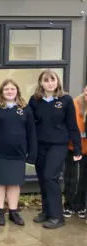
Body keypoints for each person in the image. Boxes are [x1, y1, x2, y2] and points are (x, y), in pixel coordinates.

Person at [28, 69, 81, 229]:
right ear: (41, 83)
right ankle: (46, 212)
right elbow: (29, 124)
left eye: (53, 80)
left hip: (58, 145)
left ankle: (57, 216)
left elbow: (72, 125)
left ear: (57, 82)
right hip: (40, 145)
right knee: (43, 179)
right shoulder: (35, 100)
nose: (50, 83)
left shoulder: (65, 100)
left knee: (50, 177)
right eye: (46, 80)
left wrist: (77, 148)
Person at [0, 79, 37, 226]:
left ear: (17, 91)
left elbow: (31, 132)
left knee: (14, 183)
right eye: (6, 89)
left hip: (18, 153)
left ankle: (13, 212)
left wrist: (31, 154)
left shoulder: (25, 108)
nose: (9, 91)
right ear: (1, 91)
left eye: (12, 89)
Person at [63, 84, 87, 220]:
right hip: (73, 147)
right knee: (71, 178)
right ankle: (68, 205)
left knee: (84, 179)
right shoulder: (75, 103)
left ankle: (81, 206)